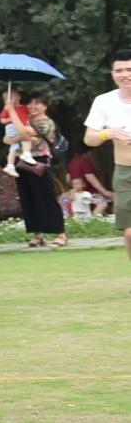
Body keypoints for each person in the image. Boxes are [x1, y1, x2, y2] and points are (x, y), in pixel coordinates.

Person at [82, 51, 131, 275]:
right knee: (129, 233)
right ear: (112, 74)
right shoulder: (104, 101)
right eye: (119, 70)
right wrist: (108, 133)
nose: (125, 74)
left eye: (129, 69)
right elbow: (89, 138)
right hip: (124, 173)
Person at [13, 94, 67, 248]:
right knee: (28, 199)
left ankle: (61, 233)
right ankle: (38, 234)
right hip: (22, 161)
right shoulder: (26, 120)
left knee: (46, 197)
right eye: (30, 103)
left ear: (45, 106)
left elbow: (23, 133)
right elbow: (10, 138)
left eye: (37, 103)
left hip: (40, 162)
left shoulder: (46, 122)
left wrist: (11, 112)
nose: (32, 106)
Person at [66, 148, 112, 221]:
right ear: (88, 152)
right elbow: (91, 178)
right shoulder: (84, 161)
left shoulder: (72, 162)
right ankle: (94, 217)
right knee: (104, 202)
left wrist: (73, 187)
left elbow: (67, 179)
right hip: (88, 192)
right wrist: (105, 192)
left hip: (75, 193)